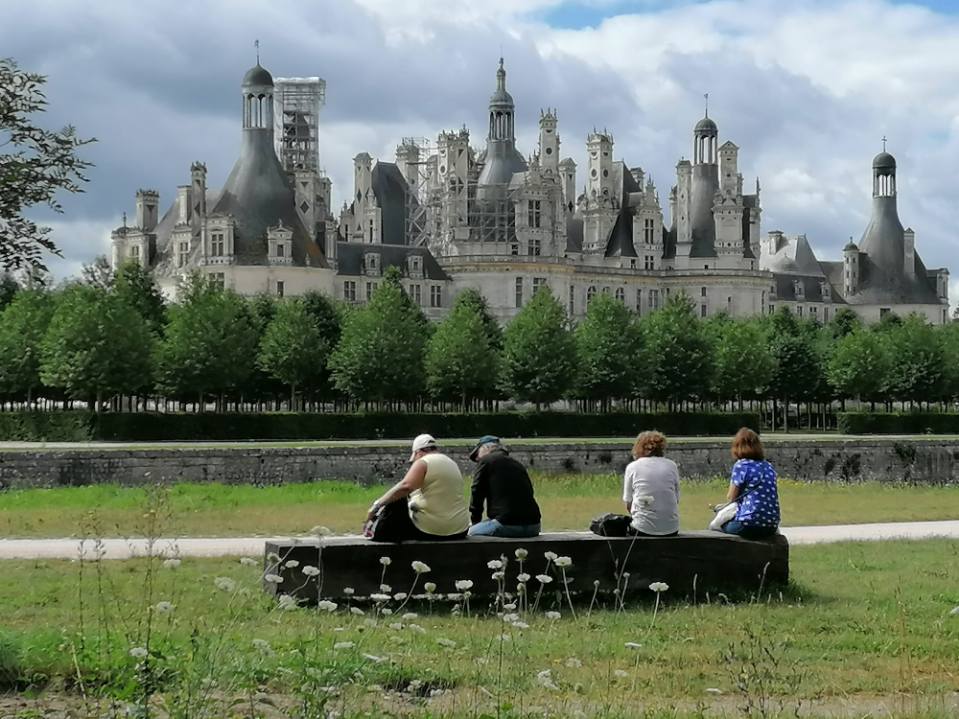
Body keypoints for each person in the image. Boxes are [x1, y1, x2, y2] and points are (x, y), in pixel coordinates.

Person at [365, 434, 470, 543]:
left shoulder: (423, 462)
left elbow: (405, 487)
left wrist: (376, 506)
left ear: (417, 452)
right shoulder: (451, 463)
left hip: (432, 531)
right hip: (460, 529)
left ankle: (375, 533)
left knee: (396, 498)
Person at [467, 435, 542, 538]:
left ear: (486, 448)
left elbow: (477, 492)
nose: (477, 458)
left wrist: (475, 521)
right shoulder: (517, 464)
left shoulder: (487, 461)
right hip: (534, 526)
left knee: (469, 534)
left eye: (477, 454)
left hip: (507, 525)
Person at [721, 427, 780, 539]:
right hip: (771, 525)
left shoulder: (741, 465)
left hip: (748, 524)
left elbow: (731, 498)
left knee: (719, 525)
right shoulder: (768, 466)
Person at [622, 430, 680, 536]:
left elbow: (628, 504)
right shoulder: (672, 465)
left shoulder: (633, 467)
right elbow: (676, 499)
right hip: (672, 528)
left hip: (642, 529)